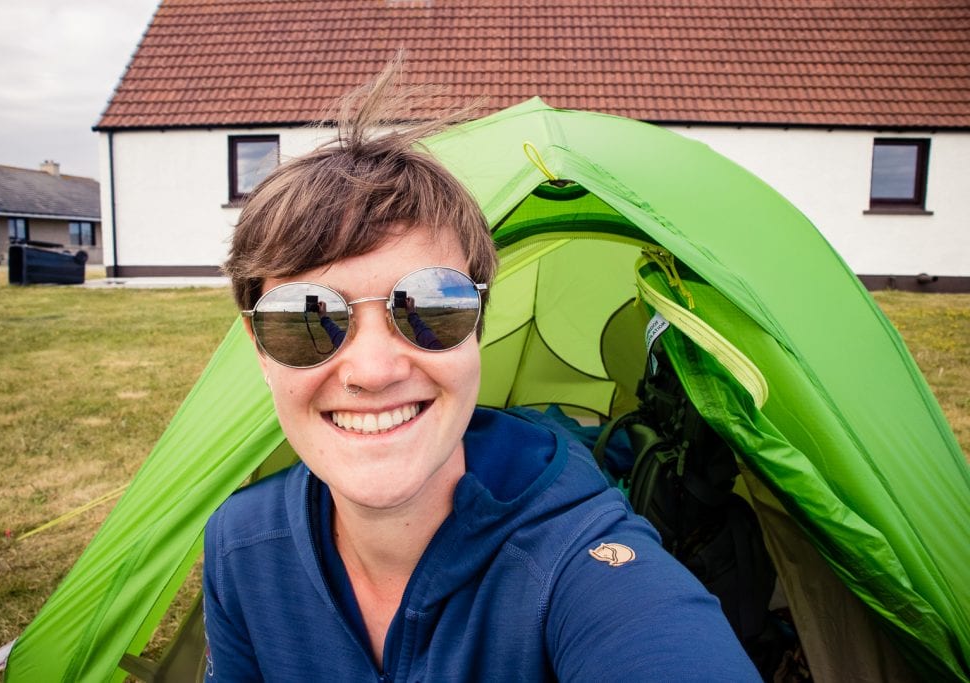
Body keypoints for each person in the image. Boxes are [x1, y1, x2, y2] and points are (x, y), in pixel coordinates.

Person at [203, 62, 760, 681]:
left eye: (429, 306)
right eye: (306, 316)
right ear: (258, 345)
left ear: (477, 327)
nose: (373, 369)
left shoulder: (578, 563)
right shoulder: (241, 547)